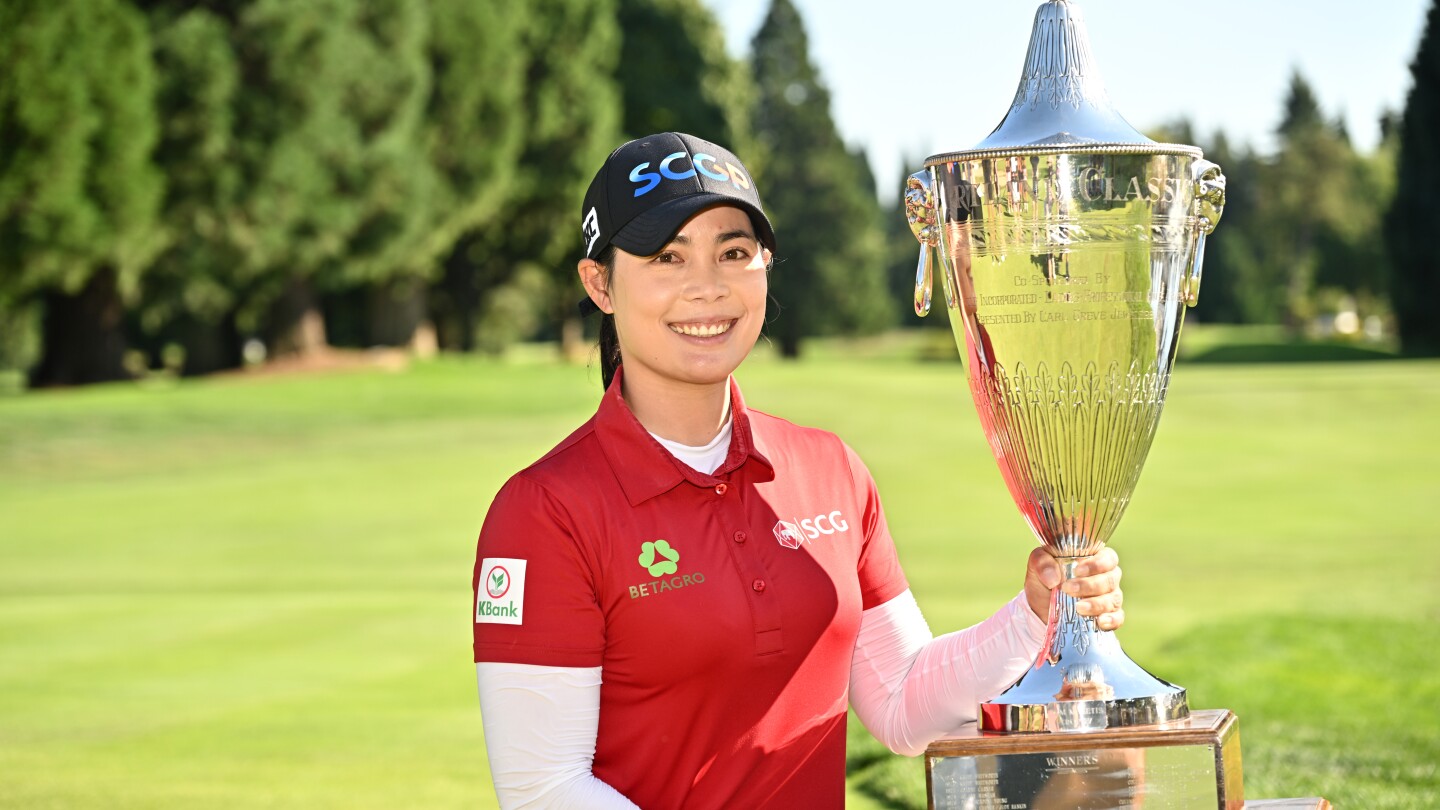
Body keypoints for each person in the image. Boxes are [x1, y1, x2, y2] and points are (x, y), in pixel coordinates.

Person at [471, 132, 1125, 809]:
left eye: (734, 253)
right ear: (599, 283)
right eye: (667, 257)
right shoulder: (543, 511)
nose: (708, 287)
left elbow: (901, 701)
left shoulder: (828, 469)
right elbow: (543, 788)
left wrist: (1033, 614)